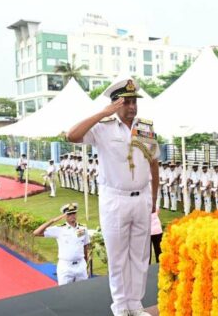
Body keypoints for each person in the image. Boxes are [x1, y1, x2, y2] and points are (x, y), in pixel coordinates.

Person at [67, 76, 158, 316]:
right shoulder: (102, 127)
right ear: (116, 103)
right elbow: (72, 136)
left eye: (134, 102)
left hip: (142, 199)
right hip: (115, 199)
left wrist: (154, 199)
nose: (132, 107)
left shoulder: (145, 128)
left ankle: (135, 305)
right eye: (126, 102)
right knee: (118, 256)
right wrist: (103, 112)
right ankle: (119, 307)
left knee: (140, 256)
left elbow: (154, 164)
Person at [33, 203, 91, 285]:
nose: (72, 216)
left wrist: (85, 263)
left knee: (83, 292)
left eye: (74, 213)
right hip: (66, 267)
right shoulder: (59, 229)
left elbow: (85, 246)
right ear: (65, 216)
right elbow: (36, 233)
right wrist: (52, 221)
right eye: (69, 214)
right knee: (65, 293)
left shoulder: (83, 228)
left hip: (80, 265)